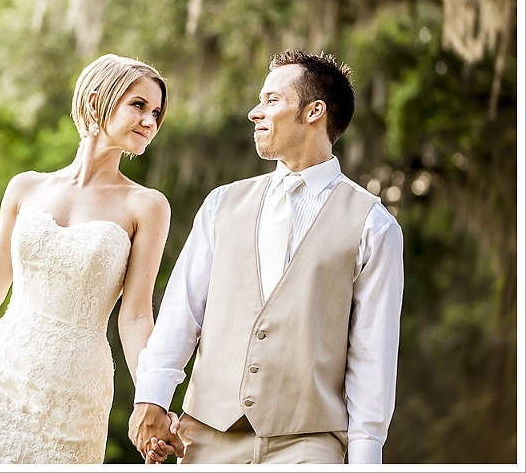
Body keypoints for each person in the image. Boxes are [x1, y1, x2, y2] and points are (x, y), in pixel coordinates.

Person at [0, 53, 180, 464]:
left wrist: (152, 400)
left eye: (156, 113)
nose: (149, 121)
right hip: (0, 373)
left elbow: (134, 316)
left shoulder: (147, 206)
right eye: (138, 105)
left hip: (76, 389)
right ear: (97, 101)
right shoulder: (25, 188)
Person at [128, 48, 404, 464]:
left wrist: (365, 460)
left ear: (314, 112)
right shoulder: (222, 203)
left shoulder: (373, 225)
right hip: (206, 436)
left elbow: (372, 357)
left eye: (272, 100)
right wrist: (151, 397)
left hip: (309, 444)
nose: (256, 113)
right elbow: (182, 312)